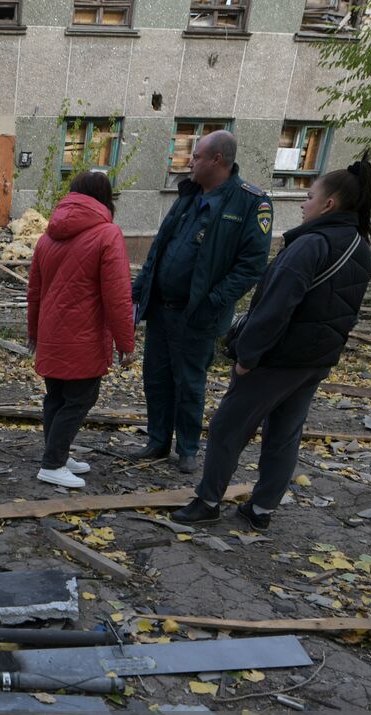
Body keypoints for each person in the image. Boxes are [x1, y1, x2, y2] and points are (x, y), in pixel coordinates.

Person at [171, 159, 371, 530]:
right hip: (315, 359)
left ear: (329, 204)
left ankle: (207, 501)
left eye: (310, 196)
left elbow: (274, 309)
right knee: (284, 433)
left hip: (278, 358)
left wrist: (248, 356)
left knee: (226, 428)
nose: (304, 203)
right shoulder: (359, 245)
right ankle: (262, 509)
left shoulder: (311, 245)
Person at [131, 130, 272, 473]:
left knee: (190, 383)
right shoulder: (189, 194)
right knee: (156, 378)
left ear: (217, 161)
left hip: (198, 315)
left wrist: (212, 303)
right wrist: (141, 292)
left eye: (196, 156)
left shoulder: (251, 202)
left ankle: (188, 448)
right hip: (162, 310)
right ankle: (157, 440)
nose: (190, 162)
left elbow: (250, 267)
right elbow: (160, 248)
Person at [26, 170, 136, 489]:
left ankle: (56, 452)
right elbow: (117, 294)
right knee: (80, 400)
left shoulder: (48, 237)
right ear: (105, 198)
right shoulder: (107, 234)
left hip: (52, 334)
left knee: (57, 398)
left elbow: (34, 292)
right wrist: (125, 343)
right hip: (83, 338)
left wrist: (34, 333)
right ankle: (53, 463)